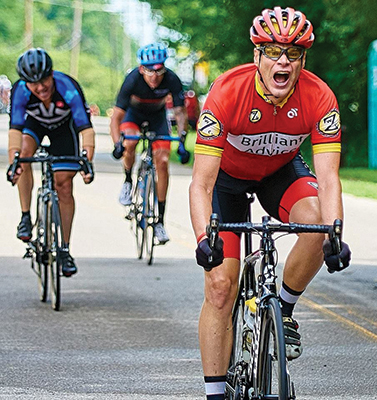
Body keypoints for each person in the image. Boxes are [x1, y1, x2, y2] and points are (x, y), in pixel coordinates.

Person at [189, 7, 351, 399]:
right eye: (274, 51)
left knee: (315, 225)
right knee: (222, 287)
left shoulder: (319, 96)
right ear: (257, 56)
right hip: (226, 183)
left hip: (279, 173)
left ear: (303, 60)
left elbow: (328, 178)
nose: (283, 61)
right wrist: (202, 239)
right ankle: (214, 393)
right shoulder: (227, 92)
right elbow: (201, 183)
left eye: (293, 53)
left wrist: (335, 234)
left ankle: (284, 308)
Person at [7, 48, 95, 277]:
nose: (40, 88)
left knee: (64, 185)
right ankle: (26, 217)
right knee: (24, 154)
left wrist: (87, 161)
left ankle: (64, 249)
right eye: (32, 83)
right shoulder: (20, 91)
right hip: (33, 126)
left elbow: (85, 129)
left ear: (52, 74)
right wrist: (14, 162)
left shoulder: (67, 86)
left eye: (44, 80)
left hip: (64, 130)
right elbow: (15, 130)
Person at [110, 42, 189, 245]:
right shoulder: (132, 80)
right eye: (148, 71)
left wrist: (182, 140)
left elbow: (180, 113)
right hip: (132, 115)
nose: (154, 76)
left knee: (162, 161)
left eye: (159, 70)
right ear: (140, 69)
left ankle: (160, 221)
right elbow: (116, 117)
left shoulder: (172, 79)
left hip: (158, 117)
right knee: (130, 143)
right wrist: (117, 143)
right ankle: (128, 181)